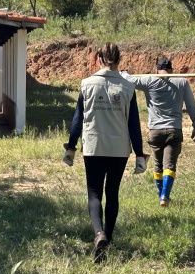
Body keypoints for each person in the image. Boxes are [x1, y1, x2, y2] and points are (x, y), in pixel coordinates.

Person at [64, 42, 149, 262]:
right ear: (120, 60)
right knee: (112, 193)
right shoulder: (128, 88)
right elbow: (134, 125)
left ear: (98, 59)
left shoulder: (86, 84)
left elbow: (77, 120)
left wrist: (71, 146)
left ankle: (98, 234)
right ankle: (108, 240)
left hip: (93, 147)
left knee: (94, 194)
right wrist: (139, 153)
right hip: (119, 149)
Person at [120, 57, 195, 206]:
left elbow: (129, 80)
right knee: (169, 164)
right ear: (171, 70)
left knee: (158, 164)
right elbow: (191, 105)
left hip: (155, 131)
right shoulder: (181, 82)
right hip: (174, 130)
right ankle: (164, 196)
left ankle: (160, 195)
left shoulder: (149, 80)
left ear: (157, 70)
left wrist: (123, 73)